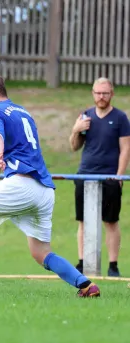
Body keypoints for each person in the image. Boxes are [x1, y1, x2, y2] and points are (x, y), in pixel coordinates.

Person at [0, 70, 100, 297]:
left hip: (21, 184)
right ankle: (86, 285)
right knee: (40, 252)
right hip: (44, 190)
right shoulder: (22, 112)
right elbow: (18, 146)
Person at [69, 77, 130, 277]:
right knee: (83, 221)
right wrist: (75, 130)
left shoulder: (120, 118)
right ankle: (82, 262)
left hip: (109, 177)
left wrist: (119, 176)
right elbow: (74, 146)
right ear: (93, 94)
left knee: (111, 221)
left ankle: (113, 266)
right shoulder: (85, 116)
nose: (101, 97)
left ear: (111, 94)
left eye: (105, 93)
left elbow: (125, 148)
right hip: (85, 174)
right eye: (97, 93)